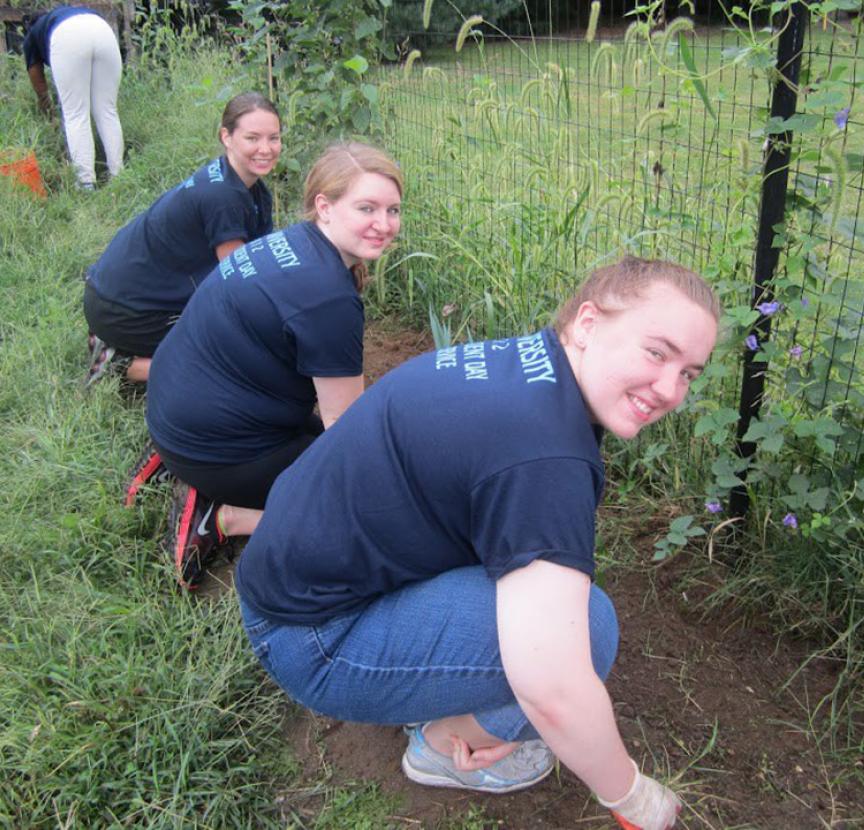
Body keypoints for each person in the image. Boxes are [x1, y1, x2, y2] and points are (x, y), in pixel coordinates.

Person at [235, 257, 720, 829]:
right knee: (587, 632)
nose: (670, 389)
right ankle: (443, 746)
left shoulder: (527, 367)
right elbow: (554, 688)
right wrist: (632, 796)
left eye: (689, 372)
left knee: (553, 601)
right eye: (657, 352)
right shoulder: (546, 454)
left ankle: (432, 690)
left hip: (292, 579)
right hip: (315, 639)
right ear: (588, 323)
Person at [144, 141, 404, 590]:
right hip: (212, 447)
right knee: (375, 511)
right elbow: (345, 430)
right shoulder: (328, 299)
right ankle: (225, 516)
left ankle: (197, 469)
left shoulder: (291, 242)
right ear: (324, 206)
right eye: (367, 208)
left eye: (393, 210)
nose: (384, 225)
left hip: (176, 411)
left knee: (330, 439)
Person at [83, 91, 280, 387]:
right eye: (252, 138)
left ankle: (124, 344)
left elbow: (261, 258)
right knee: (231, 359)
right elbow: (240, 281)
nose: (265, 148)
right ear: (226, 137)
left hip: (117, 294)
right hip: (124, 310)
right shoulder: (223, 197)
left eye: (273, 138)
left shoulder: (248, 187)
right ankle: (121, 366)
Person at [23, 5, 124, 189]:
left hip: (67, 37)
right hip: (102, 29)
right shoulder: (62, 13)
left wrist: (46, 104)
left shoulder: (33, 33)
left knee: (76, 115)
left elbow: (35, 73)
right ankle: (119, 177)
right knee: (108, 111)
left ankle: (86, 183)